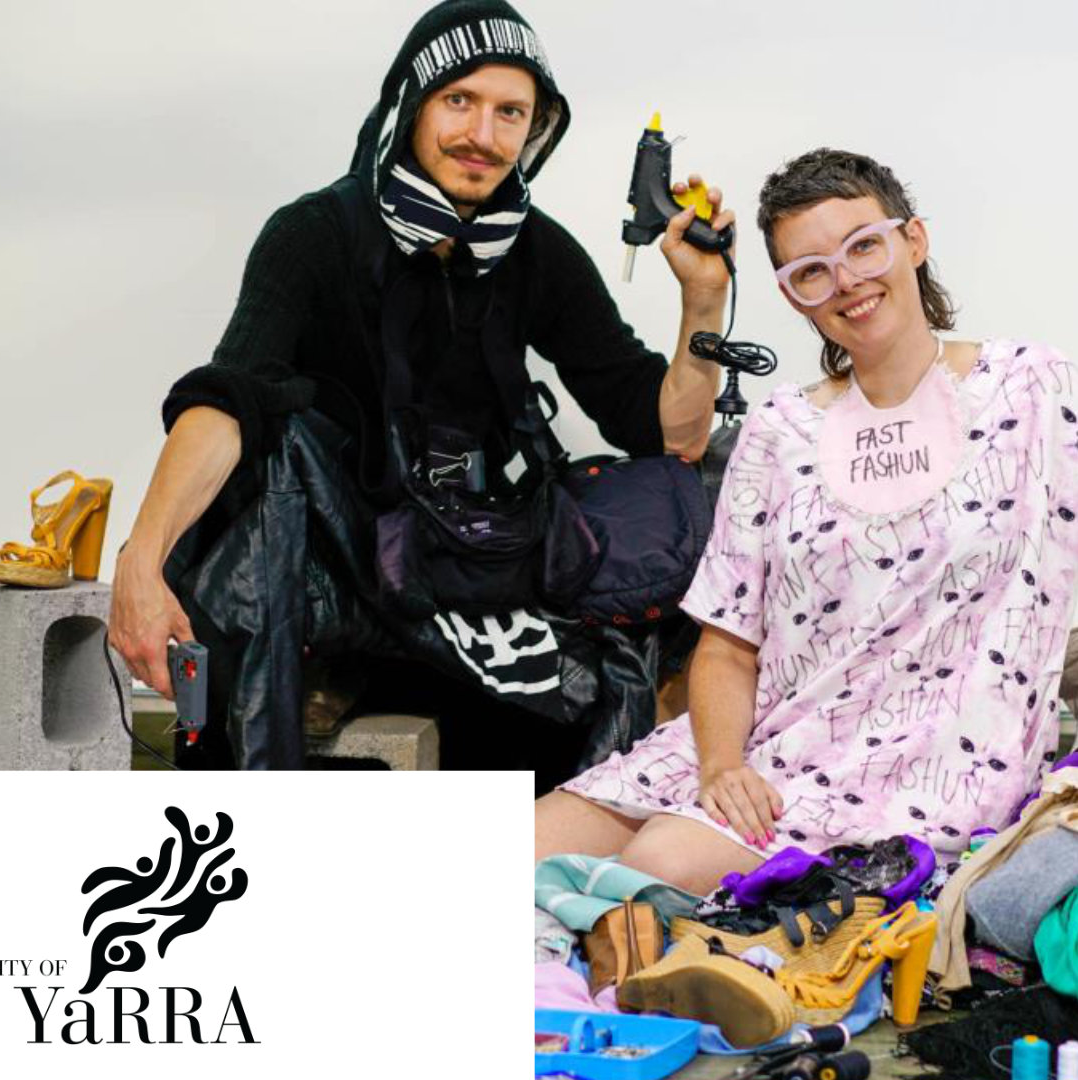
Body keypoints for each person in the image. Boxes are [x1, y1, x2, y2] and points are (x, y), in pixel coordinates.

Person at [534, 149, 1078, 896]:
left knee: (655, 867)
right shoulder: (779, 431)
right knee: (505, 850)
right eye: (812, 271)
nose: (846, 280)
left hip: (917, 789)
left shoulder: (1032, 390)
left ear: (913, 240)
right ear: (793, 296)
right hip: (752, 751)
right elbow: (727, 645)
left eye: (863, 246)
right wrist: (720, 767)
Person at [107, 0, 734, 774]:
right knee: (281, 438)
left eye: (511, 113)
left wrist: (703, 298)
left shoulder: (537, 251)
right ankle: (277, 754)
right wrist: (141, 561)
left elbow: (672, 434)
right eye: (459, 100)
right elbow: (230, 401)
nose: (482, 135)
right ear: (411, 104)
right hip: (342, 569)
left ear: (536, 130)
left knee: (720, 476)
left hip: (475, 562)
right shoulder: (317, 233)